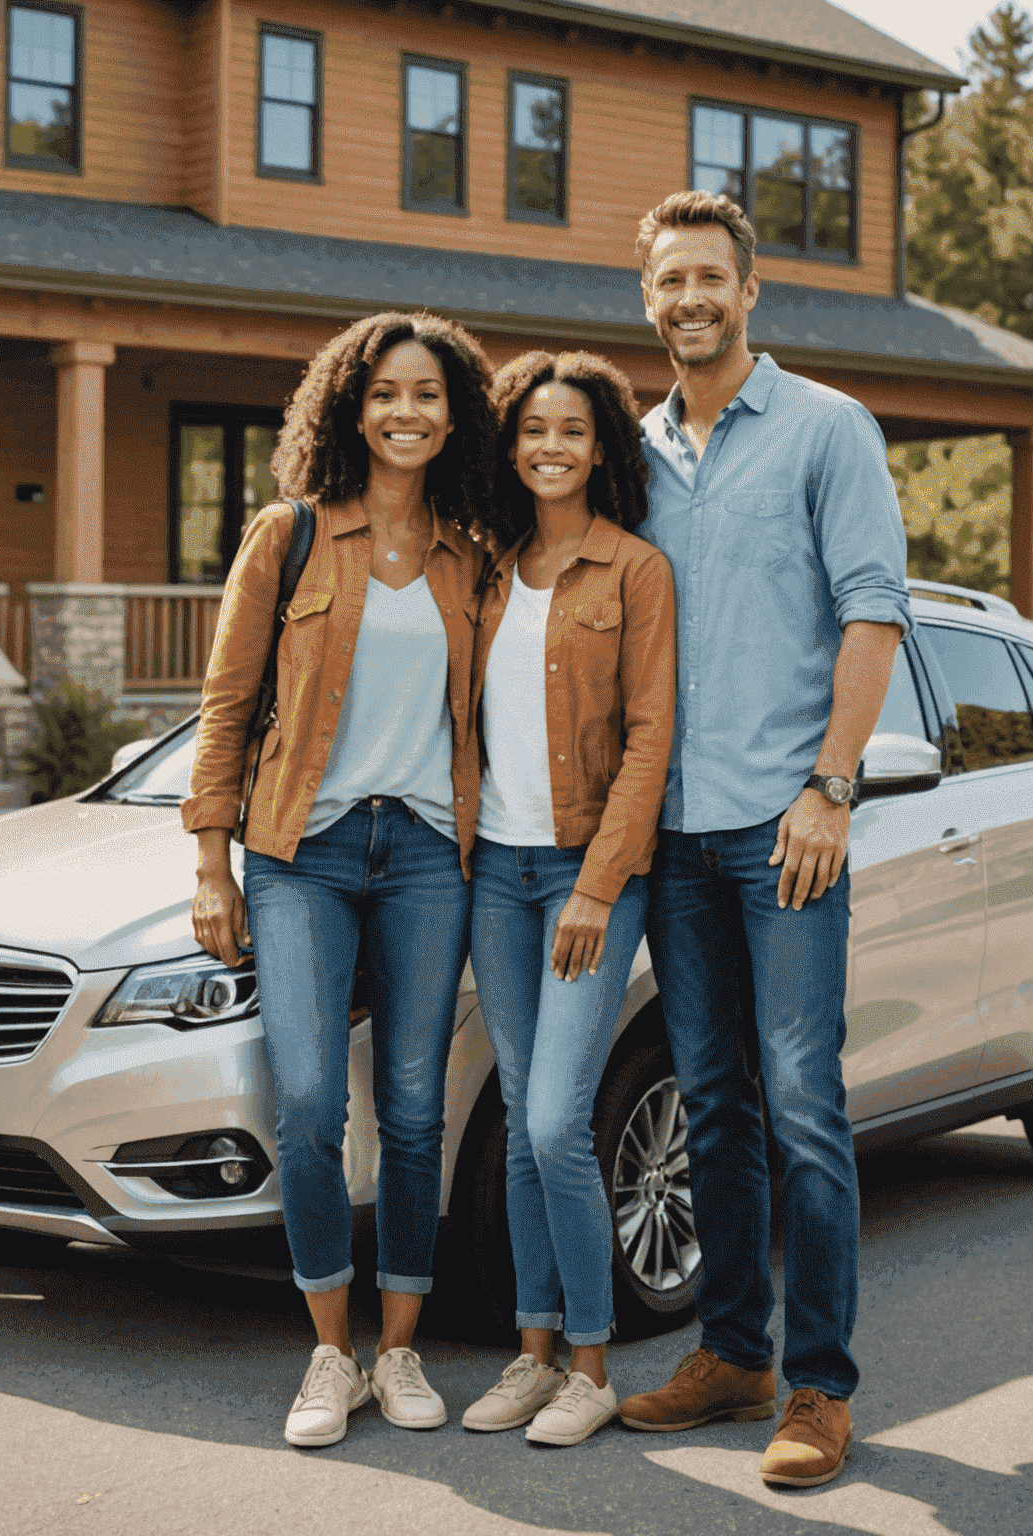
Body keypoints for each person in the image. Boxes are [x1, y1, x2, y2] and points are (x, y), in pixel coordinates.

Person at [614, 192, 911, 1490]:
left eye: (708, 280)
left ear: (751, 293)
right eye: (668, 282)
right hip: (674, 841)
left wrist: (829, 786)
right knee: (714, 1108)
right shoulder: (635, 455)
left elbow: (874, 615)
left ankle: (819, 1387)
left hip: (785, 834)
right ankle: (732, 1354)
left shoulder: (826, 430)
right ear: (649, 300)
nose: (689, 300)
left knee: (802, 1104)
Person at [182, 311, 496, 1450]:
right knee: (311, 1104)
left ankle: (400, 1350)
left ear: (455, 413)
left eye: (427, 394)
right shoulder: (293, 535)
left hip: (426, 855)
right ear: (349, 409)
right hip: (300, 853)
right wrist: (211, 863)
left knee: (414, 1111)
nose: (405, 412)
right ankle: (329, 1353)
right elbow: (228, 706)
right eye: (385, 394)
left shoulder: (475, 550)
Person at [458, 351, 676, 1448]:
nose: (551, 446)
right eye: (533, 429)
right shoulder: (486, 568)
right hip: (494, 874)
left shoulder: (634, 570)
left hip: (588, 874)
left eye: (573, 431)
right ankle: (532, 1353)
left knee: (555, 1122)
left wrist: (598, 884)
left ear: (604, 449)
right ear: (511, 444)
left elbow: (649, 738)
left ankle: (591, 1364)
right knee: (514, 1132)